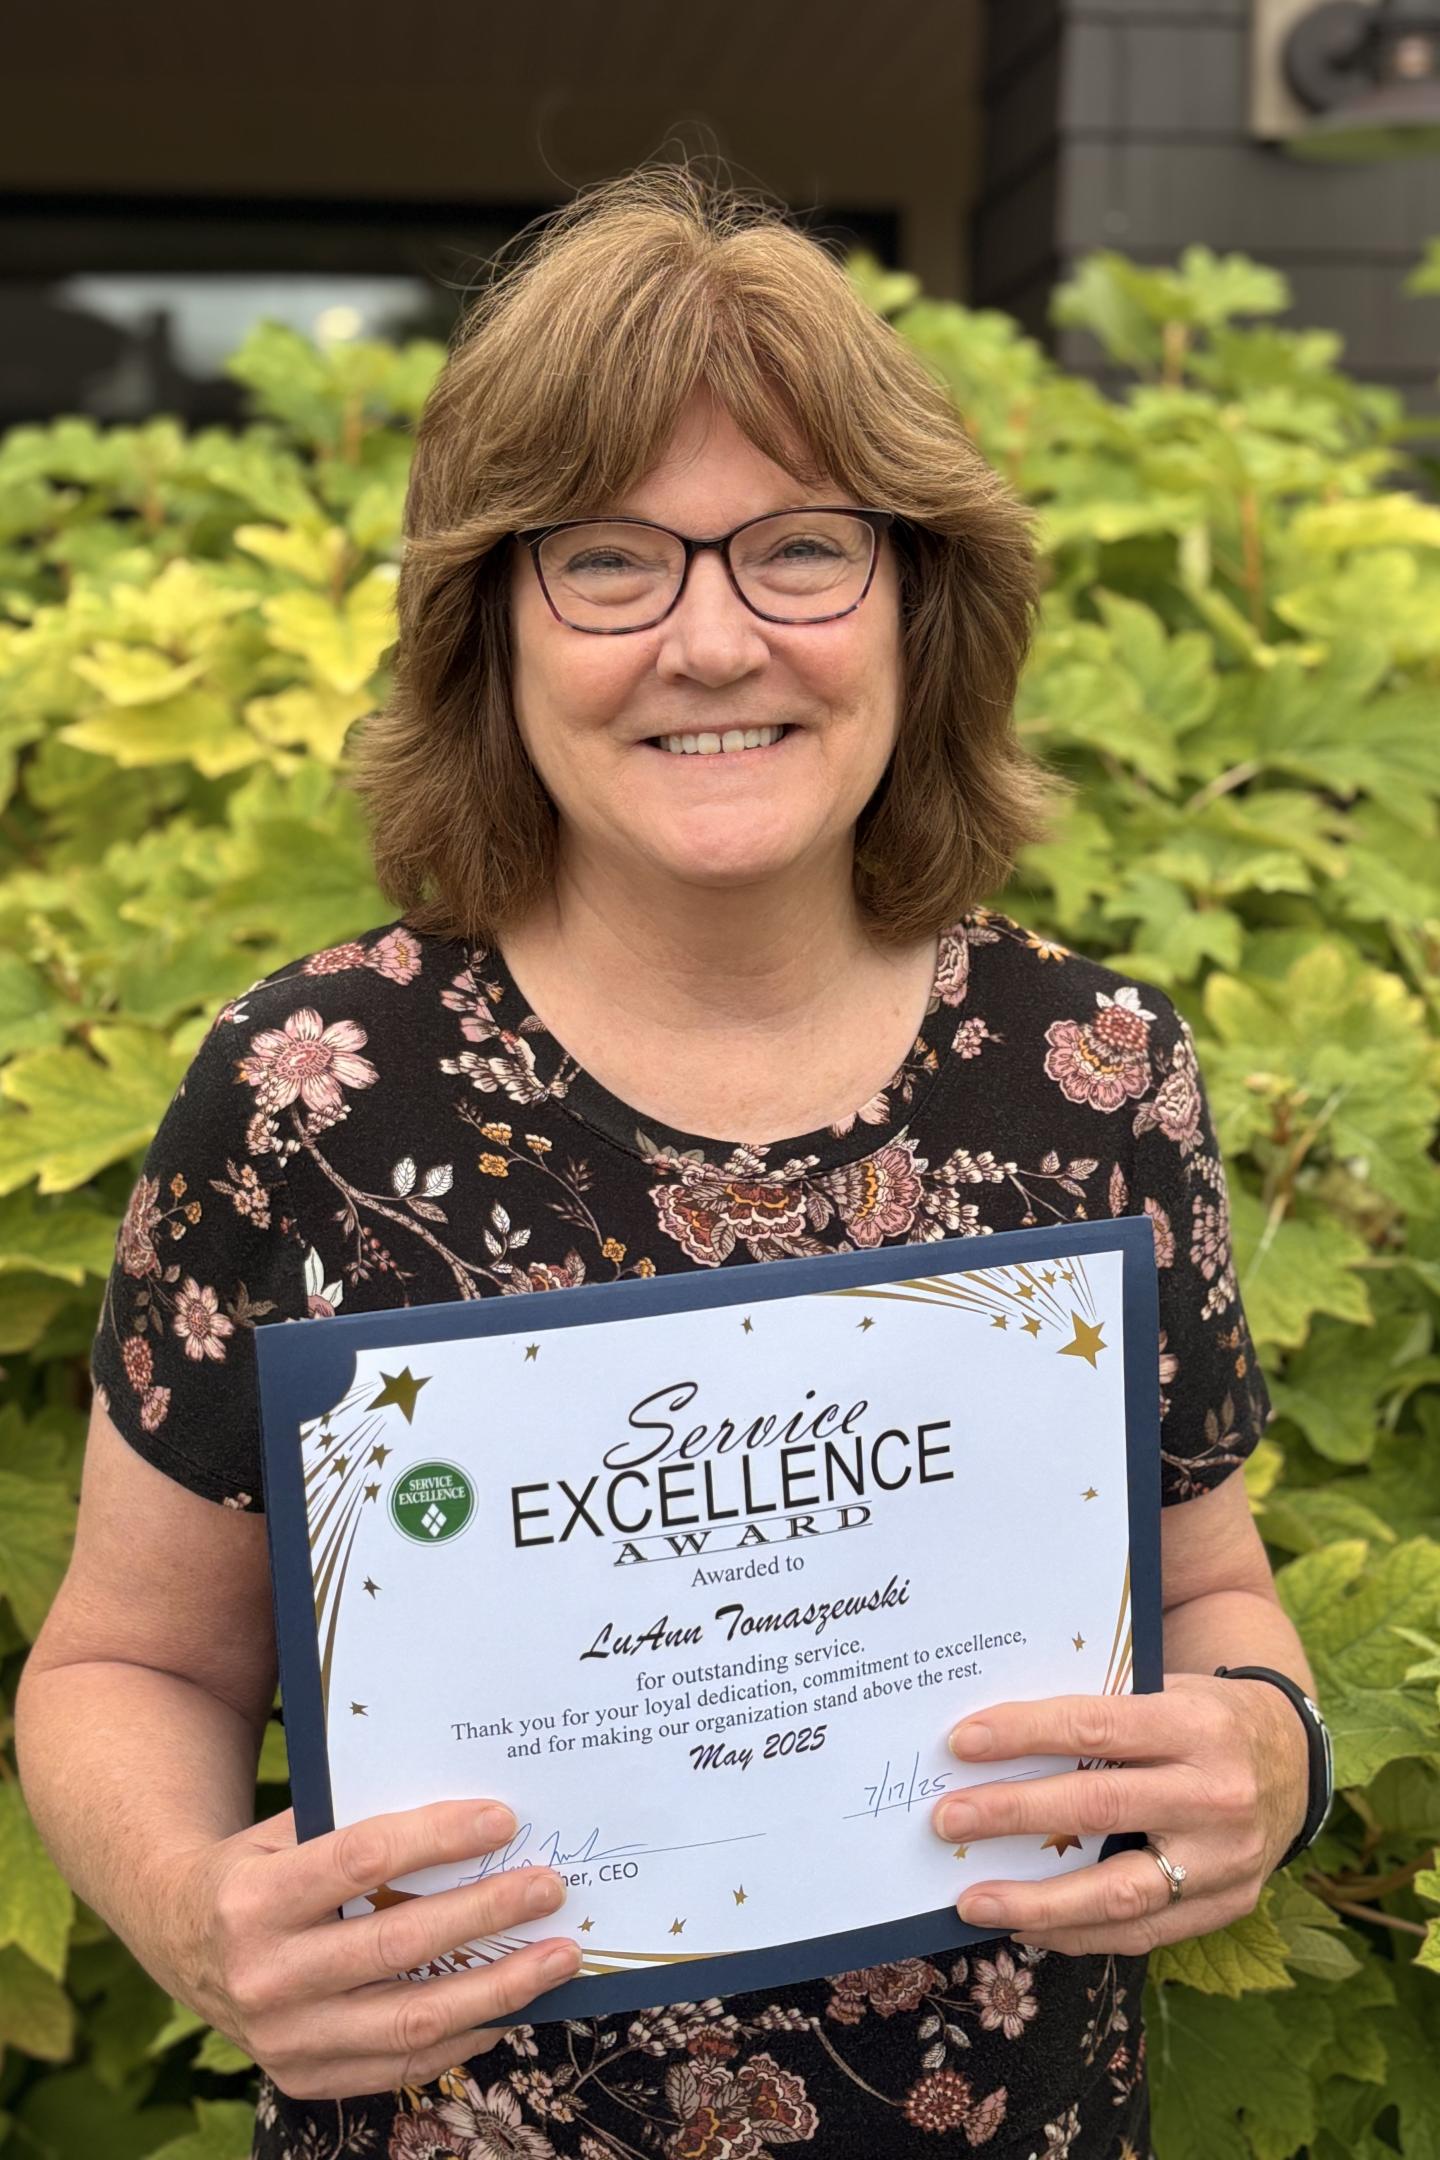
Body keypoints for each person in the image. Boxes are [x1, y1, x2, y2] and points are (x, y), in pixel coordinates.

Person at [16, 166, 1328, 2160]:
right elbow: (122, 1665)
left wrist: (1268, 1751)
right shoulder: (311, 1093)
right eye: (612, 563)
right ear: (493, 627)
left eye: (801, 549)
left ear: (915, 600)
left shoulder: (1093, 1075)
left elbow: (1214, 1592)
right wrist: (200, 1916)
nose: (713, 643)